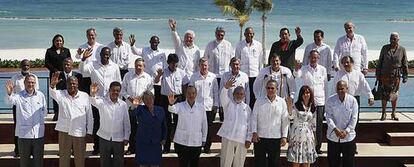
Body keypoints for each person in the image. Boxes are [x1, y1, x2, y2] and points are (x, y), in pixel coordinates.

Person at [79, 47, 122, 155]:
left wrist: (119, 99)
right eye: (103, 54)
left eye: (107, 55)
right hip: (97, 99)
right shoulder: (93, 65)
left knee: (110, 122)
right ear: (100, 55)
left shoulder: (115, 66)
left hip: (110, 99)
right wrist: (83, 59)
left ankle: (110, 147)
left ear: (110, 55)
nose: (105, 57)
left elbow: (118, 82)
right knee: (97, 123)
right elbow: (82, 70)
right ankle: (97, 147)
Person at [50, 73, 93, 167]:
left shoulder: (85, 96)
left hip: (79, 131)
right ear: (66, 84)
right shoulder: (61, 94)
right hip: (65, 131)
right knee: (64, 159)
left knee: (80, 159)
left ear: (77, 84)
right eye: (69, 83)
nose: (72, 85)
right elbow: (52, 93)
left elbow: (89, 115)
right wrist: (53, 85)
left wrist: (89, 131)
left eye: (74, 83)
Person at [5, 74, 47, 167]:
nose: (30, 84)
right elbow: (10, 101)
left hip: (38, 135)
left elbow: (44, 112)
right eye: (28, 82)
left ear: (35, 83)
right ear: (24, 83)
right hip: (24, 135)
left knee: (39, 162)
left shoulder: (41, 95)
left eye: (32, 82)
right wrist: (9, 93)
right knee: (24, 162)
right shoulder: (18, 96)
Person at [294, 50, 328, 154]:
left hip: (320, 101)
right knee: (307, 125)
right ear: (309, 58)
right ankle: (307, 146)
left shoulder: (322, 69)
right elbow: (296, 74)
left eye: (316, 57)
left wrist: (326, 102)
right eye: (312, 57)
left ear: (318, 58)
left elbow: (325, 86)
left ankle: (317, 148)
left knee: (318, 126)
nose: (314, 59)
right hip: (307, 101)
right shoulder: (304, 69)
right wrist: (296, 68)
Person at [154, 53, 189, 153]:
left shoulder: (182, 72)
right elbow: (155, 81)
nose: (174, 66)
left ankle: (178, 147)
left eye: (176, 64)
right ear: (168, 63)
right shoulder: (163, 72)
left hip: (178, 98)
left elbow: (185, 85)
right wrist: (159, 75)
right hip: (165, 98)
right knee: (166, 123)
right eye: (173, 64)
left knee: (179, 123)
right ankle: (166, 148)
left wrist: (185, 99)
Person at [90, 82, 130, 167]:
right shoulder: (102, 101)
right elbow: (93, 101)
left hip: (119, 138)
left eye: (117, 91)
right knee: (104, 163)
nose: (115, 92)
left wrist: (126, 137)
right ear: (109, 91)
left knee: (118, 163)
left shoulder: (123, 105)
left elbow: (126, 122)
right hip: (104, 137)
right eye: (113, 90)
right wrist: (93, 93)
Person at [251, 80, 290, 167]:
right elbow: (254, 117)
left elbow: (285, 120)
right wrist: (254, 132)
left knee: (274, 163)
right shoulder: (259, 101)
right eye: (268, 88)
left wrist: (284, 136)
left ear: (277, 89)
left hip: (275, 138)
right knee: (259, 163)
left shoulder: (282, 102)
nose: (270, 90)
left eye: (272, 88)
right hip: (260, 137)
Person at [167, 86, 208, 167]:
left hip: (196, 142)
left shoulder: (201, 108)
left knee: (194, 164)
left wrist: (204, 138)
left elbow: (204, 124)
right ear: (185, 94)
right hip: (182, 142)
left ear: (196, 94)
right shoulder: (180, 105)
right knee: (183, 164)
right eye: (189, 93)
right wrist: (171, 103)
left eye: (193, 93)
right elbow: (171, 109)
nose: (191, 95)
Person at [121, 58, 154, 155]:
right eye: (137, 65)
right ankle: (132, 148)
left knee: (143, 130)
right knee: (131, 129)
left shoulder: (148, 77)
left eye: (140, 66)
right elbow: (123, 90)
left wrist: (142, 98)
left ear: (144, 67)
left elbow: (151, 92)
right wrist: (130, 99)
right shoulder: (128, 76)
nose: (138, 67)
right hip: (130, 107)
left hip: (143, 107)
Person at [218, 79, 252, 167]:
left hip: (241, 139)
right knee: (225, 162)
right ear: (233, 94)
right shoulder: (228, 104)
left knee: (239, 163)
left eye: (241, 94)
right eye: (237, 93)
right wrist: (226, 87)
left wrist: (248, 138)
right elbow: (222, 96)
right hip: (228, 137)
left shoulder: (247, 108)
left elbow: (250, 125)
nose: (239, 96)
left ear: (244, 96)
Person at [188, 58, 219, 153]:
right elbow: (190, 92)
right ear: (199, 65)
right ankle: (197, 146)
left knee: (208, 128)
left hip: (209, 107)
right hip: (197, 107)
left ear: (208, 65)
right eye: (202, 65)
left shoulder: (213, 77)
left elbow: (215, 92)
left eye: (205, 65)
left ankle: (207, 148)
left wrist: (216, 105)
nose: (204, 67)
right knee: (197, 128)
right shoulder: (194, 77)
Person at [9, 59, 39, 157]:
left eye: (27, 65)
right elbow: (11, 92)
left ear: (30, 67)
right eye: (24, 65)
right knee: (17, 127)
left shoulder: (34, 77)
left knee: (30, 127)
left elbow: (36, 92)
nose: (26, 67)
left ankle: (30, 150)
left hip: (31, 106)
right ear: (20, 66)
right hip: (18, 106)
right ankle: (17, 150)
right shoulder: (15, 78)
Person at [376, 32, 408, 121]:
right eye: (391, 38)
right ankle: (383, 113)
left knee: (394, 94)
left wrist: (405, 75)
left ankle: (393, 113)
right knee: (384, 95)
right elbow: (380, 62)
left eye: (394, 38)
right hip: (384, 74)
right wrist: (377, 74)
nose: (392, 40)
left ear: (398, 39)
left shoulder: (402, 49)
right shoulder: (385, 48)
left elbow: (405, 63)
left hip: (396, 75)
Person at [326, 80, 358, 167]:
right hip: (333, 137)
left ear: (347, 89)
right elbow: (328, 117)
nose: (340, 91)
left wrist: (346, 131)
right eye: (338, 89)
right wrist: (335, 129)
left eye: (342, 89)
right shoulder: (330, 100)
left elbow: (354, 118)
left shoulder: (353, 101)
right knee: (333, 163)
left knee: (349, 163)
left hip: (348, 137)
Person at [132, 91, 167, 167]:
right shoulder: (140, 109)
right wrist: (135, 105)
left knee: (155, 164)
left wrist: (164, 138)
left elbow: (164, 126)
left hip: (156, 143)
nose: (148, 101)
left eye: (150, 98)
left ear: (154, 98)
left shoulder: (160, 110)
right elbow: (133, 114)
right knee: (143, 164)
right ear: (143, 101)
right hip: (143, 143)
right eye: (146, 99)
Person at [130, 35, 167, 106]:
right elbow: (136, 52)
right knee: (146, 100)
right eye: (152, 42)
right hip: (146, 80)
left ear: (158, 42)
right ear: (150, 42)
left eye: (156, 42)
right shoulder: (145, 50)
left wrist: (161, 76)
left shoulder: (162, 53)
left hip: (157, 82)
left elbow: (164, 66)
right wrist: (132, 45)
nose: (154, 44)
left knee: (156, 101)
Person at [287, 85, 318, 167]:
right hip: (297, 136)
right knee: (296, 160)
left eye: (307, 93)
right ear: (301, 95)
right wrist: (289, 108)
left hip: (308, 136)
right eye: (304, 93)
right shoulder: (296, 105)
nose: (306, 95)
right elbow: (290, 117)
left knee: (307, 161)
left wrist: (314, 138)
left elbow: (314, 123)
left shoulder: (313, 107)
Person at [235, 27, 264, 108]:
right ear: (244, 34)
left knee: (254, 95)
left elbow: (260, 60)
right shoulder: (240, 45)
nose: (249, 35)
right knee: (244, 95)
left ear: (253, 34)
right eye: (247, 33)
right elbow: (237, 59)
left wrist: (260, 74)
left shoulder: (258, 45)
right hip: (244, 75)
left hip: (255, 75)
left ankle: (253, 113)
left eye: (251, 33)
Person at [45, 34, 71, 120]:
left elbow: (69, 61)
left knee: (65, 94)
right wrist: (56, 71)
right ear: (54, 42)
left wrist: (64, 71)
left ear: (63, 42)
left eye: (60, 41)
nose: (58, 42)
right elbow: (47, 63)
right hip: (54, 76)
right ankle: (56, 113)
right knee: (55, 94)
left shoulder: (66, 50)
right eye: (57, 41)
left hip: (65, 76)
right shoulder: (49, 51)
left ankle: (66, 113)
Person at [75, 27, 104, 94]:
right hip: (85, 75)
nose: (91, 37)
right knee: (86, 95)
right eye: (89, 35)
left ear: (95, 35)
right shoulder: (82, 46)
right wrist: (79, 54)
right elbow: (77, 57)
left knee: (96, 96)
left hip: (96, 76)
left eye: (92, 35)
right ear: (86, 36)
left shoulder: (101, 47)